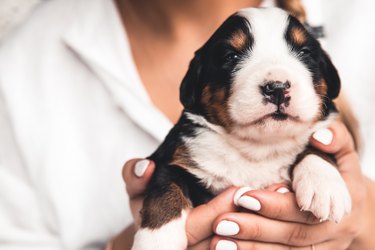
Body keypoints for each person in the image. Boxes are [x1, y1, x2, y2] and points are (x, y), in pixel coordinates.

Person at [0, 0, 374, 250]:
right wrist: (128, 244)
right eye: (231, 57)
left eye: (303, 53)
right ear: (196, 86)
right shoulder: (21, 64)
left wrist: (363, 219)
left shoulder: (359, 14)